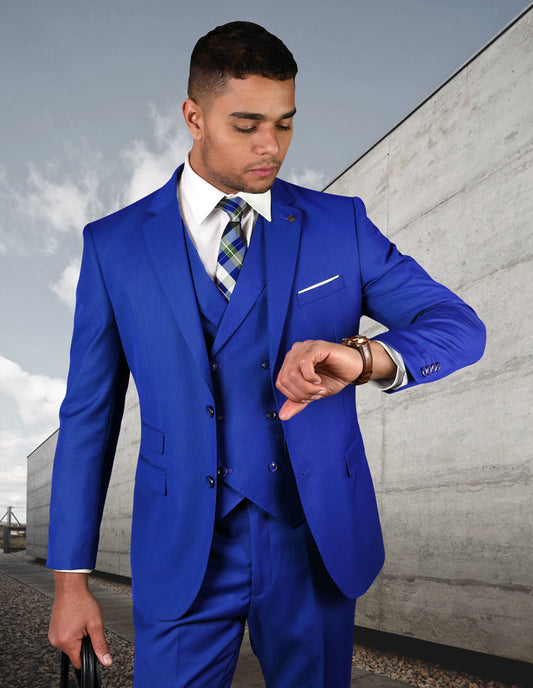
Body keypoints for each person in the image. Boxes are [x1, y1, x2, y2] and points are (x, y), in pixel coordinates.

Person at [47, 20, 486, 688]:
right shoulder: (113, 246)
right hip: (183, 548)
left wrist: (364, 357)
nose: (270, 146)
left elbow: (457, 325)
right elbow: (88, 416)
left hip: (311, 541)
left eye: (284, 123)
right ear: (193, 116)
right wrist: (70, 580)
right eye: (246, 124)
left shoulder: (340, 227)